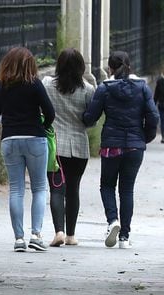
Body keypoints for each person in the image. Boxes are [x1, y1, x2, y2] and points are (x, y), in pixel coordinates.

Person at [83, 51, 159, 249]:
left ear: (110, 69)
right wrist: (144, 137)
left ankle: (112, 221)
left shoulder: (105, 88)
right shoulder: (143, 88)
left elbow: (91, 117)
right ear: (130, 67)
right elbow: (153, 117)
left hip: (112, 146)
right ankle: (124, 236)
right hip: (135, 147)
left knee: (107, 185)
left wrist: (83, 118)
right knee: (127, 189)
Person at [0, 47, 55, 252]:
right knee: (39, 188)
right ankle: (36, 235)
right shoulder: (34, 84)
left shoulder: (1, 85)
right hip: (35, 138)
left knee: (16, 189)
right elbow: (50, 112)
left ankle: (19, 238)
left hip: (10, 139)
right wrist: (43, 127)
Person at [42, 48, 95, 247]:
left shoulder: (47, 84)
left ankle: (59, 232)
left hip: (55, 146)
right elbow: (90, 121)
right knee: (74, 189)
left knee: (57, 189)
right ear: (81, 67)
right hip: (79, 148)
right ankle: (72, 235)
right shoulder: (89, 90)